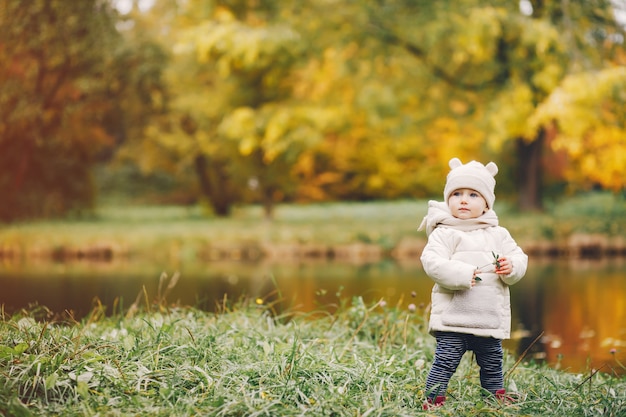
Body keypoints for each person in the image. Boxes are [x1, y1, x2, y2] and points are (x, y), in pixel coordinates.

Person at [417, 157, 528, 409]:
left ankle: (494, 396)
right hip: (454, 319)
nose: (464, 199)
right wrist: (462, 274)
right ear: (448, 200)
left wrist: (511, 266)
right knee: (445, 360)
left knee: (492, 360)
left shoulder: (499, 234)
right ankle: (433, 398)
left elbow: (520, 257)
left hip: (488, 316)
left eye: (473, 195)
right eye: (457, 193)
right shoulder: (444, 232)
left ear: (487, 204)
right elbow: (431, 261)